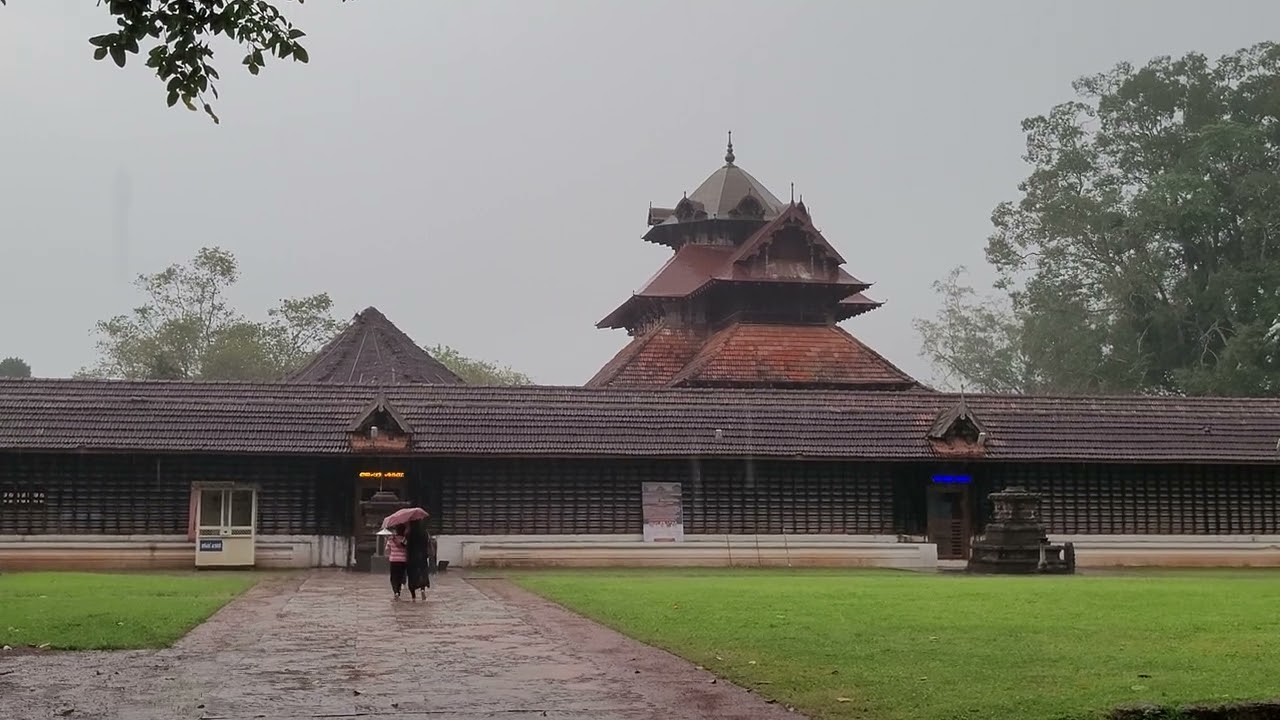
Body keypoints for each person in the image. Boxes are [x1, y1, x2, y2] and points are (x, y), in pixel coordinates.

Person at [404, 518, 431, 601]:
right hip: (422, 556)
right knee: (422, 572)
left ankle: (413, 596)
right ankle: (422, 589)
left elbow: (404, 544)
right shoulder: (424, 533)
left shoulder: (408, 533)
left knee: (412, 575)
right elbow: (427, 543)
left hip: (411, 557)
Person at [386, 524, 408, 599]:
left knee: (393, 578)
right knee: (400, 577)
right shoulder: (405, 539)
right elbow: (407, 548)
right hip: (403, 560)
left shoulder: (391, 539)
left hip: (394, 560)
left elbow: (387, 549)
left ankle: (396, 592)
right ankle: (398, 591)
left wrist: (390, 555)